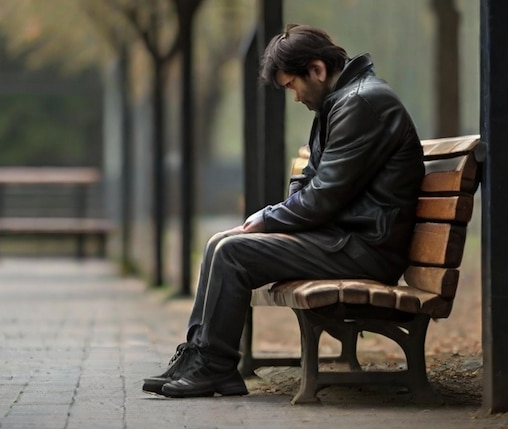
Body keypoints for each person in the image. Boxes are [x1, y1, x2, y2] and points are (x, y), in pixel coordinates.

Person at [142, 24, 424, 399]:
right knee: (220, 243)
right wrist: (275, 216)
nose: (293, 96)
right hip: (343, 238)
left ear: (317, 70)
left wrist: (270, 218)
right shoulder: (339, 102)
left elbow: (323, 196)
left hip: (366, 247)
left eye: (292, 84)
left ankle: (213, 366)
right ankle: (201, 358)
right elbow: (307, 181)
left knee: (233, 252)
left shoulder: (361, 103)